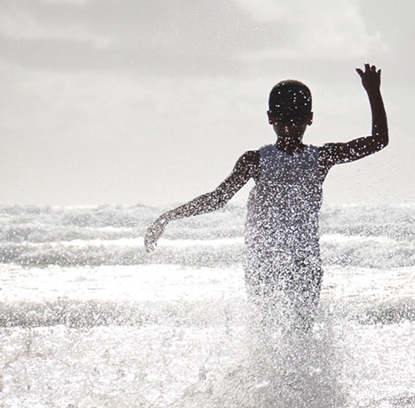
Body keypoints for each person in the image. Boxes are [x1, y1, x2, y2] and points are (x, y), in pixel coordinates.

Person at [143, 64, 388, 331]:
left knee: (264, 329)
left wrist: (168, 217)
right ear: (311, 118)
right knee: (301, 332)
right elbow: (379, 140)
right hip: (303, 261)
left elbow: (217, 198)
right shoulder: (321, 158)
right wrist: (373, 92)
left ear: (270, 117)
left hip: (264, 261)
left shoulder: (256, 160)